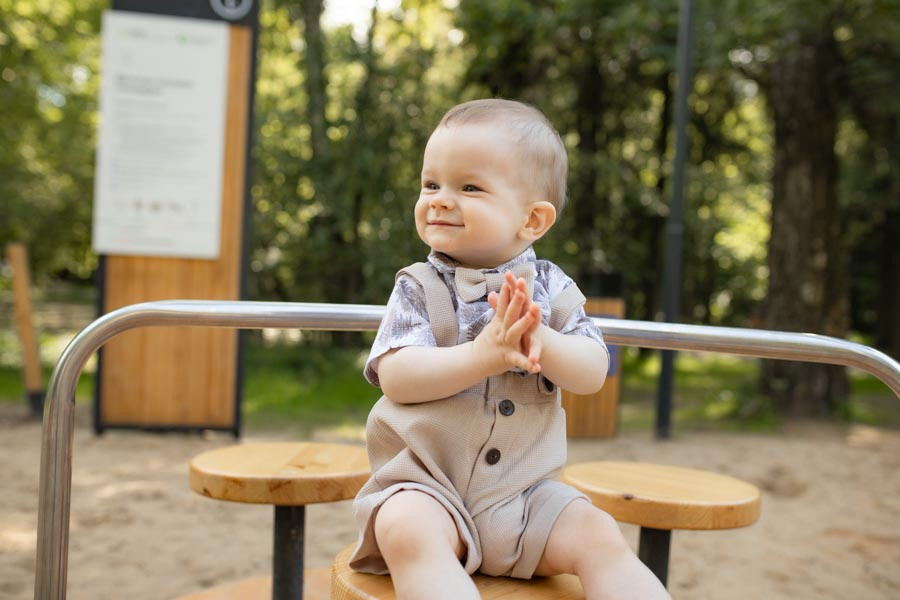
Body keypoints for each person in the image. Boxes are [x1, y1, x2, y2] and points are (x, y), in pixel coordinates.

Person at [350, 98, 670, 599]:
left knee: (598, 533)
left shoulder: (552, 289)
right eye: (431, 184)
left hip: (525, 501)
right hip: (429, 488)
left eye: (469, 187)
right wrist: (484, 355)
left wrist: (541, 340)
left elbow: (592, 371)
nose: (439, 198)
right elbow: (397, 376)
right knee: (405, 529)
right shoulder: (418, 286)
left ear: (533, 220)